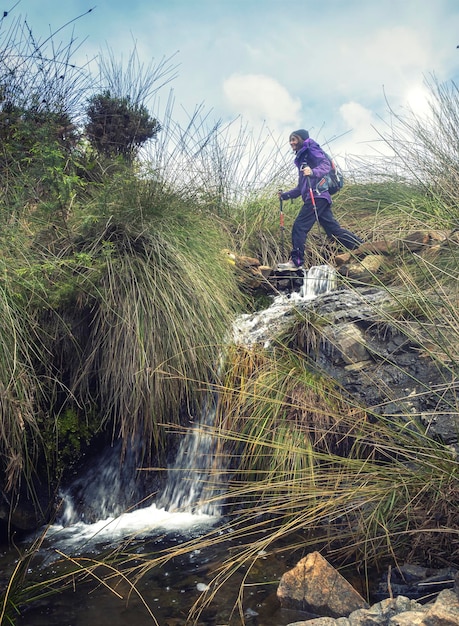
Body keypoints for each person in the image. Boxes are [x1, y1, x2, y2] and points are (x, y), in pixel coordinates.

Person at [278, 129, 363, 270]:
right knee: (333, 231)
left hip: (316, 196)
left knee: (299, 227)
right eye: (290, 140)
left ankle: (296, 262)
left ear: (302, 139)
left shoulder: (310, 148)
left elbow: (325, 165)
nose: (291, 142)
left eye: (294, 139)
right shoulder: (303, 158)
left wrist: (312, 172)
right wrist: (285, 195)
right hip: (320, 198)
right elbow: (301, 187)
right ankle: (362, 247)